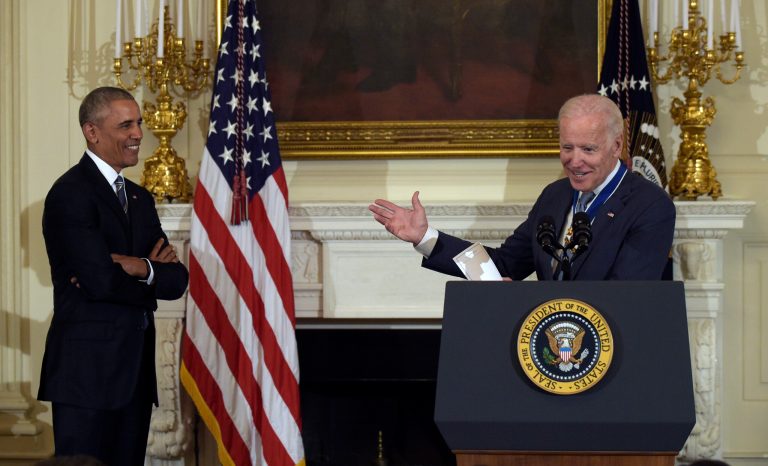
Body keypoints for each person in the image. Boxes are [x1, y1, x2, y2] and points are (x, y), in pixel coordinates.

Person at [37, 87, 189, 465]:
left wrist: (141, 267)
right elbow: (99, 281)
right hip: (86, 378)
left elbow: (178, 280)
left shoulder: (139, 197)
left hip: (134, 379)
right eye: (126, 125)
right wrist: (150, 278)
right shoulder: (70, 193)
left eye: (138, 123)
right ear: (92, 131)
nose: (138, 133)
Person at [369, 94, 675, 281]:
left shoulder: (649, 205)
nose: (574, 160)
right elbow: (505, 265)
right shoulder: (554, 196)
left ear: (616, 146)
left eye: (588, 149)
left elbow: (625, 295)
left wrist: (532, 304)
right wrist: (425, 237)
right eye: (567, 147)